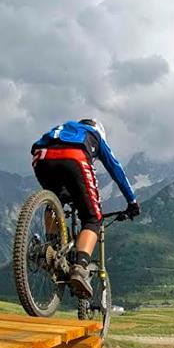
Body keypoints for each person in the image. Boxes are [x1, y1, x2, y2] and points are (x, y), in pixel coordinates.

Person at [30, 118, 140, 298]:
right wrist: (132, 202)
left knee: (55, 200)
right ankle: (79, 268)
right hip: (74, 156)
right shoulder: (95, 135)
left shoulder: (65, 127)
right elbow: (116, 169)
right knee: (92, 219)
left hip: (41, 158)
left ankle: (49, 246)